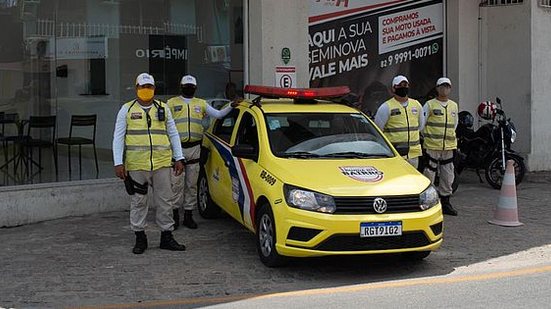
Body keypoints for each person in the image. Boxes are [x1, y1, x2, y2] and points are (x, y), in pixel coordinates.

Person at [113, 73, 186, 254]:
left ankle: (166, 237)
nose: (146, 91)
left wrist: (179, 157)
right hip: (137, 165)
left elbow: (173, 134)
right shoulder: (127, 110)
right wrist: (118, 162)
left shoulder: (163, 108)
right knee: (138, 202)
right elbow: (118, 137)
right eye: (142, 87)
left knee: (165, 201)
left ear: (154, 89)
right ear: (136, 87)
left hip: (162, 164)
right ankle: (140, 237)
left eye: (149, 87)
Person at [167, 75, 239, 229]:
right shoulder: (171, 103)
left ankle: (188, 215)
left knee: (192, 184)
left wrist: (231, 105)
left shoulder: (201, 104)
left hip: (194, 148)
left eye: (191, 86)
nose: (189, 88)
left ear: (195, 88)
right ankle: (174, 216)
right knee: (176, 185)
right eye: (186, 86)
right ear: (181, 87)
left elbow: (218, 115)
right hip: (176, 149)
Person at [422, 77, 459, 216]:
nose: (445, 89)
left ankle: (446, 202)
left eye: (447, 86)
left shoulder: (453, 106)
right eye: (442, 86)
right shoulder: (430, 105)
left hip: (448, 147)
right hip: (432, 146)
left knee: (448, 175)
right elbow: (422, 124)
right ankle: (428, 202)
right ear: (437, 88)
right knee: (429, 173)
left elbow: (454, 125)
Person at [374, 75, 425, 168]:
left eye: (405, 85)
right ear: (393, 88)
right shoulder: (386, 107)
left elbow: (421, 126)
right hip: (395, 155)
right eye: (400, 85)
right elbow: (378, 130)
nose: (403, 88)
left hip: (413, 154)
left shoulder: (416, 105)